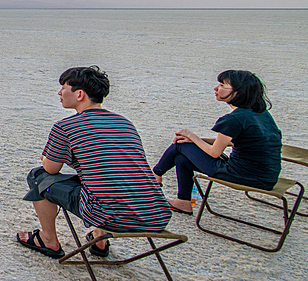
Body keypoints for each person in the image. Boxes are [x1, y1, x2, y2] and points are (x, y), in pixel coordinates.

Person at [17, 66, 170, 259]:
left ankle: (48, 239)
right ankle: (99, 239)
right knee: (107, 179)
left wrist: (46, 157)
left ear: (80, 94)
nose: (59, 92)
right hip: (155, 214)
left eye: (64, 87)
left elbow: (50, 168)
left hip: (111, 216)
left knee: (38, 176)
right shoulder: (125, 123)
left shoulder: (66, 126)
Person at [152, 70, 282, 215]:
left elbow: (214, 152)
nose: (215, 88)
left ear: (239, 92)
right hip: (266, 177)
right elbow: (234, 143)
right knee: (182, 158)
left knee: (181, 144)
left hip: (242, 175)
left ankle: (155, 176)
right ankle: (183, 202)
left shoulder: (235, 119)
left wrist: (192, 136)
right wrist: (194, 140)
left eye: (222, 85)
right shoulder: (259, 114)